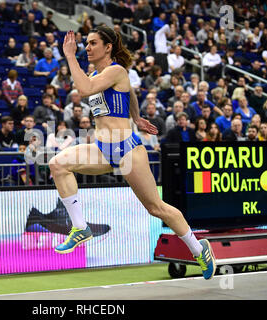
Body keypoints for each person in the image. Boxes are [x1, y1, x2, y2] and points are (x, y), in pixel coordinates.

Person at [48, 28, 215, 280]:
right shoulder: (98, 73)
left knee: (156, 208)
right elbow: (131, 94)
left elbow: (84, 89)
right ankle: (80, 227)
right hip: (103, 150)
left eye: (93, 43)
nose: (87, 48)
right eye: (86, 44)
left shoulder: (116, 71)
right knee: (58, 164)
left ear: (108, 47)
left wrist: (70, 56)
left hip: (127, 151)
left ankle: (198, 248)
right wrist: (136, 116)